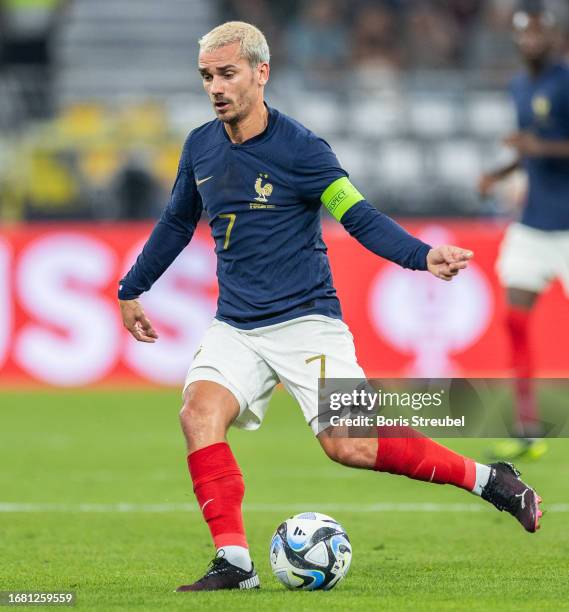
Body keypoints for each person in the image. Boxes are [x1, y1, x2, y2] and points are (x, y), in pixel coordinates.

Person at [119, 22, 543, 592]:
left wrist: (423, 257)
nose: (215, 87)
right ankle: (235, 563)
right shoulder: (200, 146)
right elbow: (176, 222)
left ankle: (492, 481)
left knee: (351, 445)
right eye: (206, 77)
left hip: (307, 324)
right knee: (198, 415)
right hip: (237, 327)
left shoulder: (302, 149)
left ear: (260, 73)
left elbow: (358, 216)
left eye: (227, 74)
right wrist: (131, 287)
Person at [478, 2, 569, 460]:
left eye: (539, 34)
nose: (532, 41)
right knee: (514, 319)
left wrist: (539, 147)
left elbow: (544, 143)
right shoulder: (519, 85)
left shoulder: (566, 80)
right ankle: (528, 426)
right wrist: (501, 171)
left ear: (553, 37)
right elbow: (532, 146)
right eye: (525, 34)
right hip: (534, 224)